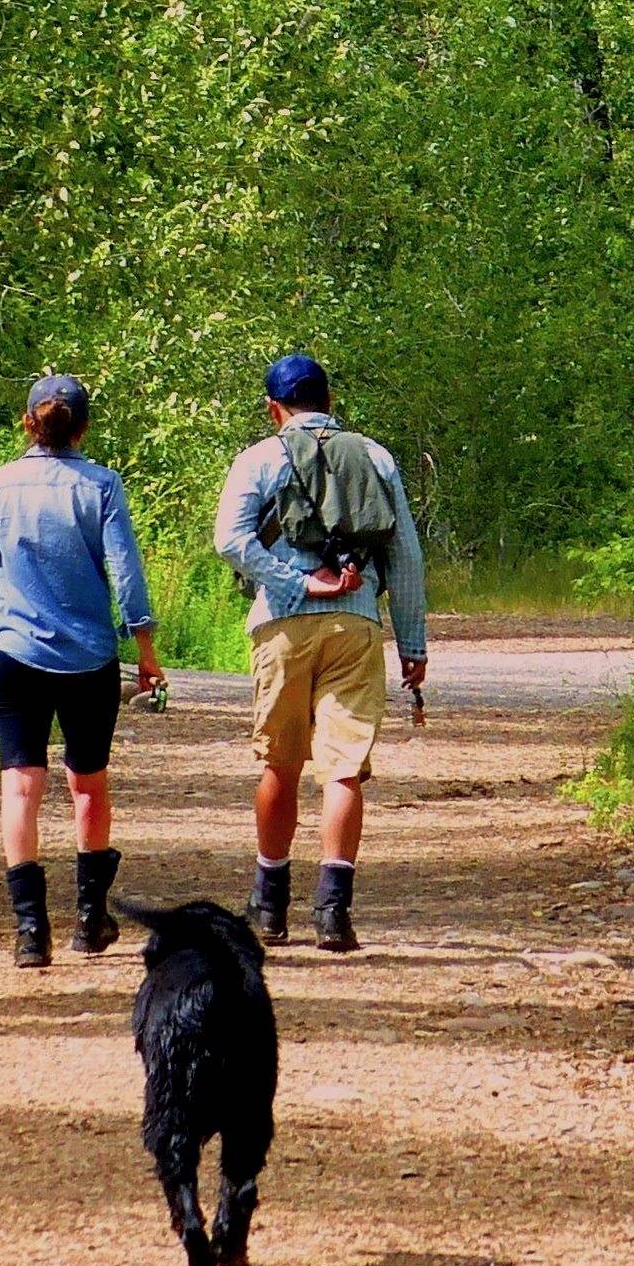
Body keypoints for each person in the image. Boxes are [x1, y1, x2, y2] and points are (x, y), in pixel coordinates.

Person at [213, 352, 427, 954]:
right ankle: (333, 912)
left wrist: (291, 580)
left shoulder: (259, 458)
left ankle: (270, 904)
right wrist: (411, 643)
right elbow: (404, 557)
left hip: (282, 626)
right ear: (330, 402)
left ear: (273, 408)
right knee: (342, 768)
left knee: (279, 763)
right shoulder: (376, 457)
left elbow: (228, 539)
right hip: (356, 624)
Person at [0, 372, 164, 968]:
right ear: (82, 427)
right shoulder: (102, 486)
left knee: (21, 783)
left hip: (13, 653)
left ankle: (31, 931)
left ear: (29, 422)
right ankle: (88, 919)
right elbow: (125, 571)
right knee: (88, 782)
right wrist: (145, 648)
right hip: (88, 659)